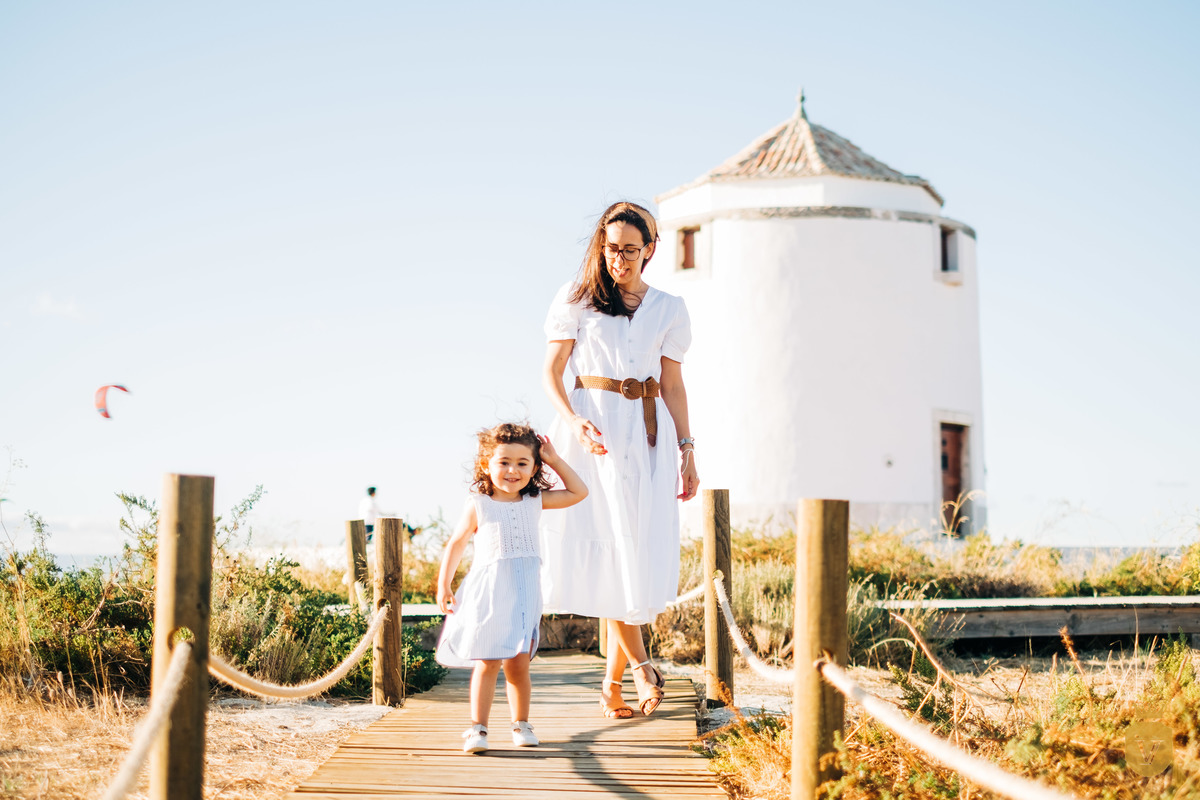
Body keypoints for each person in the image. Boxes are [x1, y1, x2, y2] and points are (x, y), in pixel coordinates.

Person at [540, 201, 700, 720]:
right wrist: (573, 421)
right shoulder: (577, 299)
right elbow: (553, 372)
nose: (619, 259)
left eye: (630, 250)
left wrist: (687, 450)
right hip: (596, 433)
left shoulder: (669, 308)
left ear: (650, 249)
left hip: (649, 435)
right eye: (611, 249)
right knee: (614, 550)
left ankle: (612, 687)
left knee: (632, 554)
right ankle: (641, 668)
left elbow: (673, 383)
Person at [435, 423, 588, 754]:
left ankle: (521, 724)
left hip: (525, 593)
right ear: (486, 464)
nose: (512, 470)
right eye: (503, 461)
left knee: (519, 664)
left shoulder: (534, 500)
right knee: (488, 661)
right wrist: (444, 584)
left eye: (523, 462)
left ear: (534, 468)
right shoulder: (479, 503)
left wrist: (555, 460)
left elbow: (579, 492)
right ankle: (478, 728)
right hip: (489, 593)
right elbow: (457, 542)